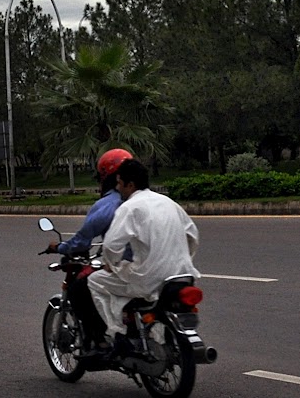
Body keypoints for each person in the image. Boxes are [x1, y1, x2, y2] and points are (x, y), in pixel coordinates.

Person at [86, 158, 200, 354]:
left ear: (130, 185)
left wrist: (110, 265)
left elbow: (112, 246)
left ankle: (117, 333)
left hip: (149, 279)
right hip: (182, 275)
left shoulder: (130, 207)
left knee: (95, 281)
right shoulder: (169, 203)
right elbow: (192, 235)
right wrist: (184, 259)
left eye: (120, 183)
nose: (118, 188)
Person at [46, 148, 136, 353]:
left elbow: (82, 241)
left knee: (79, 289)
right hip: (167, 269)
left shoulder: (109, 204)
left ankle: (100, 341)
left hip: (130, 269)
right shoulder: (156, 201)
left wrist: (60, 247)